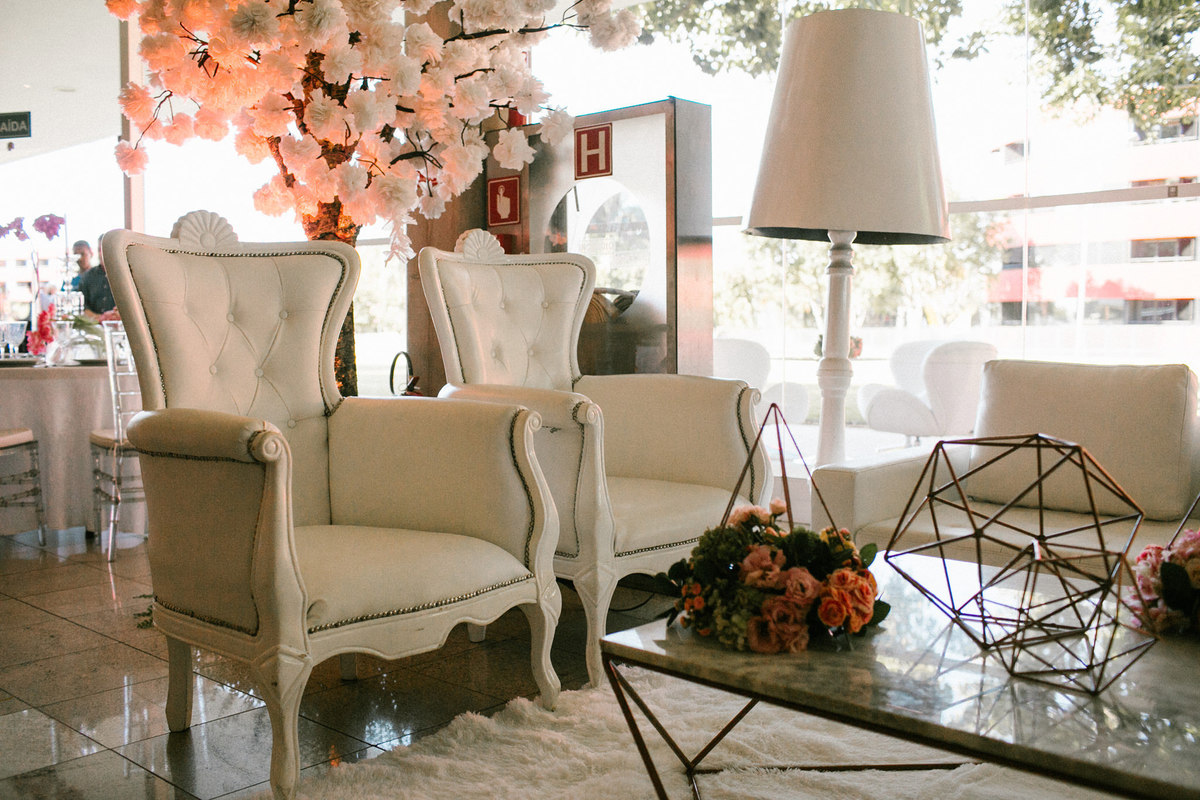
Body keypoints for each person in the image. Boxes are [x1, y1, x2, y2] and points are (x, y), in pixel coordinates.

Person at [78, 243, 117, 319]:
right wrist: (101, 318)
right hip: (93, 325)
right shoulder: (87, 276)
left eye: (106, 249)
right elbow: (82, 306)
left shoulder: (125, 276)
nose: (102, 253)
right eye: (100, 249)